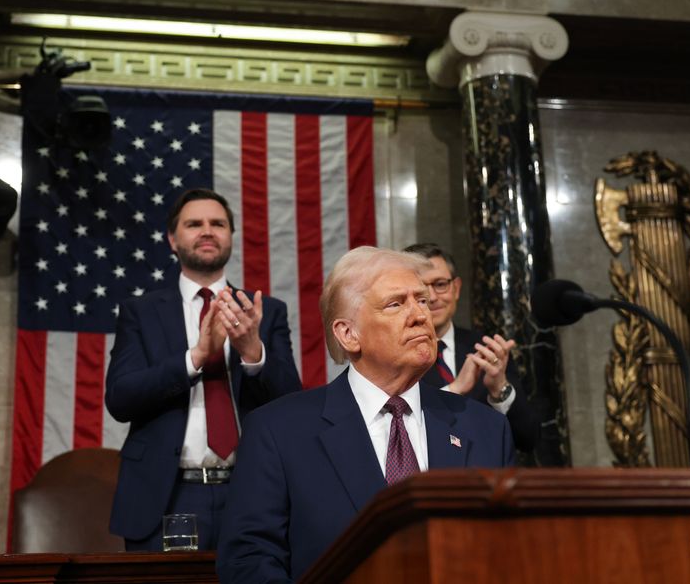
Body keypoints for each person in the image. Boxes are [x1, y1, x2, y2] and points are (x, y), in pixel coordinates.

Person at [217, 247, 513, 582]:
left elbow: (512, 553)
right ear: (348, 334)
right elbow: (248, 560)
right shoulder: (278, 431)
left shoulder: (486, 427)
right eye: (396, 304)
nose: (420, 315)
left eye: (422, 301)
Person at [105, 188, 301, 551]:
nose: (207, 231)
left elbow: (293, 402)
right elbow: (120, 398)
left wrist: (252, 352)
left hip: (252, 489)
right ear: (172, 239)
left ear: (231, 236)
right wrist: (194, 357)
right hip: (168, 494)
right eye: (194, 224)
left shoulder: (265, 311)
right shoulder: (141, 312)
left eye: (218, 224)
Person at [403, 242, 541, 454]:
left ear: (456, 288)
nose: (432, 297)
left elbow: (528, 439)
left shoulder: (486, 349)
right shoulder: (392, 355)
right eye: (421, 289)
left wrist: (499, 390)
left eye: (440, 284)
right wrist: (455, 389)